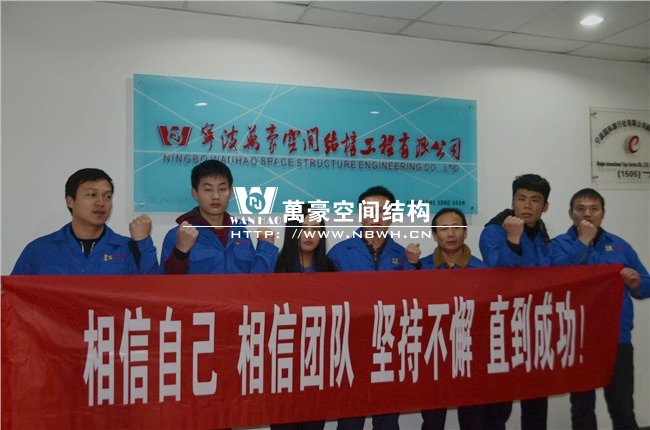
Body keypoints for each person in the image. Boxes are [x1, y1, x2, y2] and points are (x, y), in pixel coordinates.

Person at [550, 188, 650, 430]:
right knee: (582, 409)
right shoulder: (558, 245)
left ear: (603, 213)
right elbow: (555, 279)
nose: (587, 214)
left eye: (594, 209)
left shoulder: (619, 245)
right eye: (580, 209)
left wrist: (636, 283)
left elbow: (646, 284)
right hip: (577, 340)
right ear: (571, 213)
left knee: (622, 408)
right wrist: (582, 242)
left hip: (616, 339)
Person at [327, 185, 412, 430]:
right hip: (351, 347)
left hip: (389, 347)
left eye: (383, 211)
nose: (376, 217)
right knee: (350, 419)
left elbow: (411, 299)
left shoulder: (402, 255)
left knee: (388, 420)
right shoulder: (339, 253)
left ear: (392, 215)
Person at [478, 174, 551, 430]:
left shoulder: (544, 236)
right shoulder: (493, 231)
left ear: (545, 206)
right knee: (499, 405)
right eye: (521, 199)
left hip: (536, 328)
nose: (527, 205)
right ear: (512, 202)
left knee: (536, 402)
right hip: (504, 329)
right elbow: (499, 271)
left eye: (535, 200)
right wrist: (513, 239)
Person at [406, 208, 485, 430]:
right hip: (433, 355)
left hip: (470, 355)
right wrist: (411, 267)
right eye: (443, 229)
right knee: (433, 421)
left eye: (456, 228)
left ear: (465, 232)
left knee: (473, 421)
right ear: (434, 235)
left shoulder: (483, 270)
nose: (451, 233)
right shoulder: (420, 268)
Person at [12, 168, 158, 275]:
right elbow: (15, 299)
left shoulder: (128, 249)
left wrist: (142, 242)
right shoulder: (39, 250)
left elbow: (152, 293)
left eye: (107, 196)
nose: (101, 202)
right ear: (70, 201)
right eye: (92, 195)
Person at [271, 206, 336, 430]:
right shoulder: (275, 268)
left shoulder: (331, 270)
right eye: (303, 228)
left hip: (318, 367)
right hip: (282, 366)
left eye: (315, 229)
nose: (309, 235)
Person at [160, 159, 278, 274]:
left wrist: (266, 247)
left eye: (222, 189)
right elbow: (164, 284)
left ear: (230, 192)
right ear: (195, 193)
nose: (216, 196)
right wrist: (180, 253)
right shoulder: (178, 235)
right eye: (208, 189)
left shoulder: (240, 233)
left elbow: (256, 282)